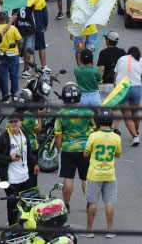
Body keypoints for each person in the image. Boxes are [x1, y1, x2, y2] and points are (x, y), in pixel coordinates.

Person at [0, 112, 40, 226]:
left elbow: (29, 152)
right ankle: (13, 225)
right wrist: (9, 158)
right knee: (13, 204)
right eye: (11, 122)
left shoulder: (24, 134)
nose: (13, 124)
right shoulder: (3, 137)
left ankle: (24, 223)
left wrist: (35, 163)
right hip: (11, 178)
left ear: (20, 123)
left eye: (16, 122)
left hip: (25, 176)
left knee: (26, 202)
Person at [55, 82, 95, 210]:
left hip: (68, 150)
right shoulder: (87, 112)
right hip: (85, 150)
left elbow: (58, 135)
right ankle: (89, 204)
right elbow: (94, 129)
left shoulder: (61, 114)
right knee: (85, 178)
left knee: (68, 178)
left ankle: (66, 206)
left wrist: (59, 148)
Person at [84, 108, 121, 238]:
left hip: (94, 174)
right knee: (109, 202)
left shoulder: (93, 136)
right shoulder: (116, 137)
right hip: (110, 174)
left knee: (93, 203)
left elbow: (86, 153)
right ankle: (110, 230)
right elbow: (117, 155)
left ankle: (89, 230)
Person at [112, 46, 142, 146]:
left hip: (123, 88)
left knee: (126, 115)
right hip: (136, 88)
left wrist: (115, 88)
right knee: (135, 113)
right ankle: (136, 132)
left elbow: (115, 76)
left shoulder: (122, 59)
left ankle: (135, 137)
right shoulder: (140, 60)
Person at [98, 33, 125, 102]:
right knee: (117, 106)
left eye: (106, 39)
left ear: (108, 41)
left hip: (106, 84)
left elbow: (101, 70)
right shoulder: (122, 52)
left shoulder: (103, 53)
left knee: (105, 104)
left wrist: (98, 83)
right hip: (120, 84)